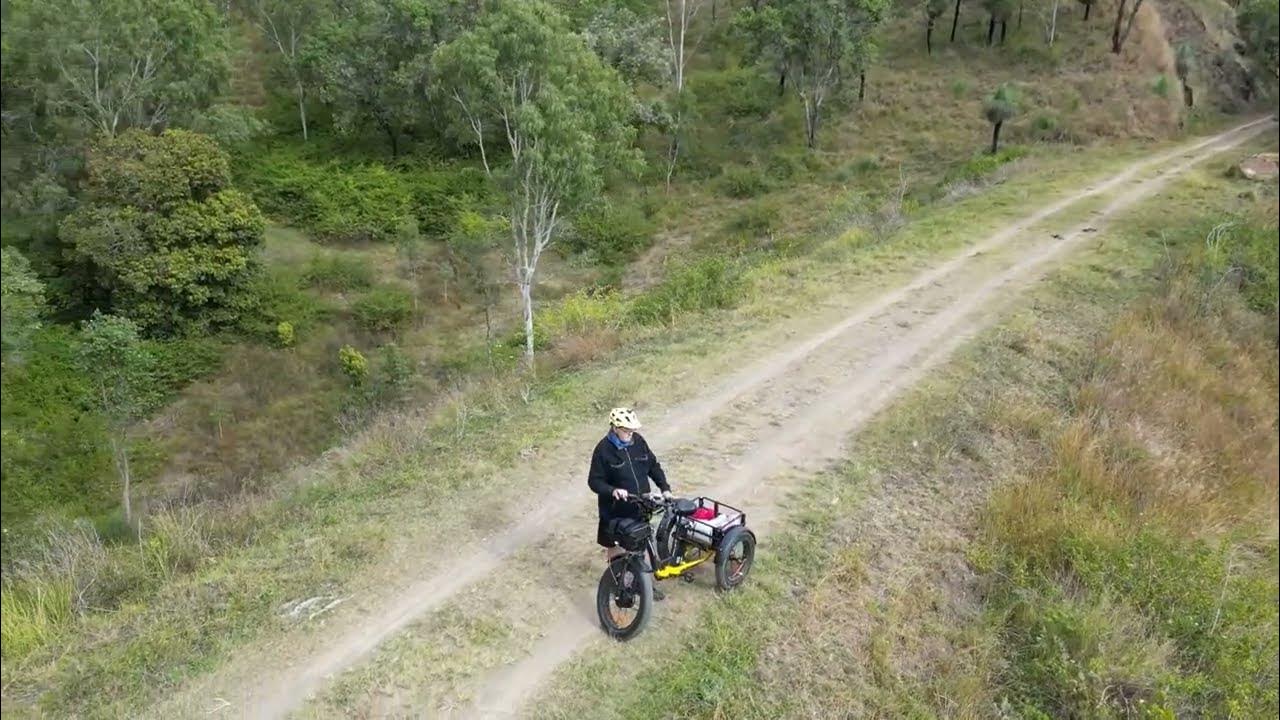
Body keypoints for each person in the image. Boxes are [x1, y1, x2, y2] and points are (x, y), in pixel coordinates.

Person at [587, 408, 673, 598]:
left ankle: (643, 586)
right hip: (614, 511)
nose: (630, 434)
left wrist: (664, 487)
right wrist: (612, 491)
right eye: (626, 430)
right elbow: (594, 481)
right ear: (615, 427)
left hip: (640, 505)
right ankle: (617, 583)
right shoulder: (603, 450)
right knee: (616, 549)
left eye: (632, 431)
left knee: (640, 545)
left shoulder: (639, 442)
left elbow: (653, 465)